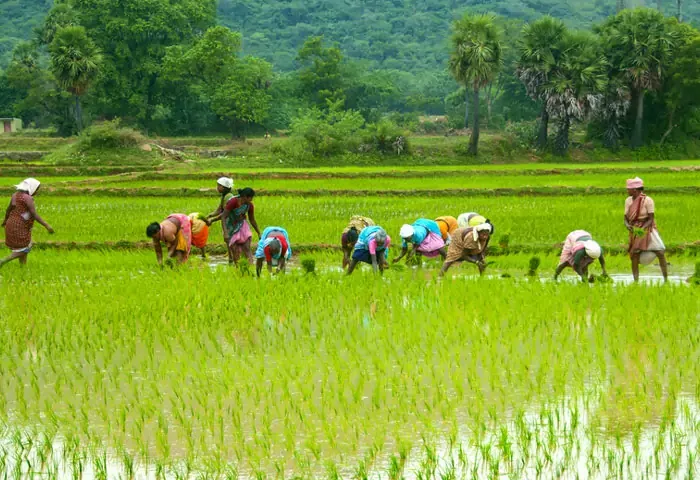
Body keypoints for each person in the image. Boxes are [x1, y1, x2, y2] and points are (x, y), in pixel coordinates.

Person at [1, 178, 54, 268]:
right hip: (20, 226)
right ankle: (3, 261)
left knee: (22, 246)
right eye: (36, 189)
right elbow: (34, 214)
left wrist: (5, 221)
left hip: (11, 223)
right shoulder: (28, 198)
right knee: (26, 247)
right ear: (31, 188)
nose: (36, 192)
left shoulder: (15, 195)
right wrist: (47, 225)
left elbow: (8, 210)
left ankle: (23, 267)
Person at [624, 177, 668, 282]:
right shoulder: (628, 200)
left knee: (660, 252)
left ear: (635, 190)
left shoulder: (648, 200)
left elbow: (651, 218)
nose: (627, 191)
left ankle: (666, 279)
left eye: (628, 189)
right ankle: (636, 281)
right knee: (634, 254)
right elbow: (625, 218)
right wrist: (627, 225)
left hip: (648, 228)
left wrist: (643, 229)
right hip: (635, 229)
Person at [211, 188, 261, 266]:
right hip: (231, 226)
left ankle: (251, 268)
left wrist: (258, 232)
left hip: (242, 225)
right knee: (234, 250)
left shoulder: (249, 205)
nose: (251, 200)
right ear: (244, 197)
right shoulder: (233, 202)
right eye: (250, 198)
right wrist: (226, 233)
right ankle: (238, 268)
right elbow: (223, 217)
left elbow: (252, 220)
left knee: (247, 248)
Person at [206, 177, 235, 262]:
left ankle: (232, 258)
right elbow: (219, 210)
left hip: (231, 222)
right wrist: (209, 215)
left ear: (225, 187)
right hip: (227, 221)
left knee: (230, 241)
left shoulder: (229, 197)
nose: (217, 187)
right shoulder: (224, 196)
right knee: (228, 241)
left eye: (219, 186)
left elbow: (225, 213)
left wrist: (212, 220)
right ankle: (231, 258)